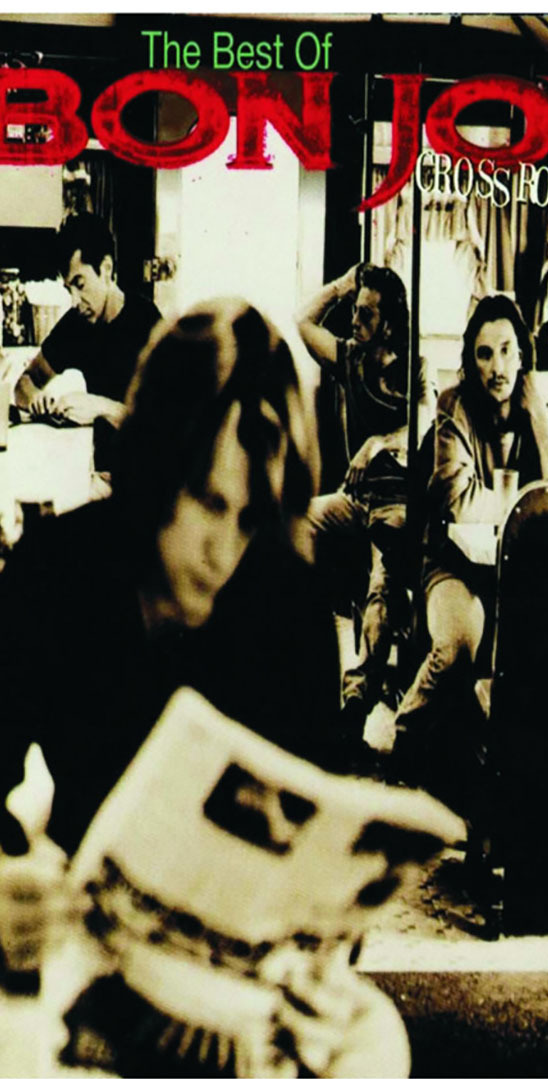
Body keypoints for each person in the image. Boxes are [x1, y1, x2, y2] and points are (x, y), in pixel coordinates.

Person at [0, 298, 340, 859]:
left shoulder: (289, 605)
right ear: (152, 469)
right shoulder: (57, 571)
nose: (223, 552)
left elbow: (319, 834)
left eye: (250, 520)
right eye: (209, 502)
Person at [393, 294, 548, 751]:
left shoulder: (542, 414)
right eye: (484, 354)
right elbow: (457, 503)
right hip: (452, 566)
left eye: (506, 351)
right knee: (459, 642)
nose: (497, 367)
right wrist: (526, 506)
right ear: (471, 361)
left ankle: (508, 756)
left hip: (520, 569)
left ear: (522, 357)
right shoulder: (453, 406)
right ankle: (404, 740)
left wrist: (539, 418)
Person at [297, 263, 435, 740]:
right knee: (292, 525)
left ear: (390, 324)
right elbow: (302, 322)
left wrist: (377, 443)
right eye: (355, 311)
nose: (354, 322)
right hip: (354, 500)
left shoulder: (416, 366)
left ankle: (357, 697)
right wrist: (343, 285)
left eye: (365, 314)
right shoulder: (350, 357)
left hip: (398, 503)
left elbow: (423, 425)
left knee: (382, 582)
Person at [14, 213, 161, 468]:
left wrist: (102, 407)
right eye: (68, 288)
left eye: (80, 284)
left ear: (106, 269)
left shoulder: (148, 322)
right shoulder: (76, 324)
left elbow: (168, 424)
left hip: (147, 476)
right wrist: (36, 398)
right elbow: (24, 383)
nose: (74, 300)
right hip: (98, 472)